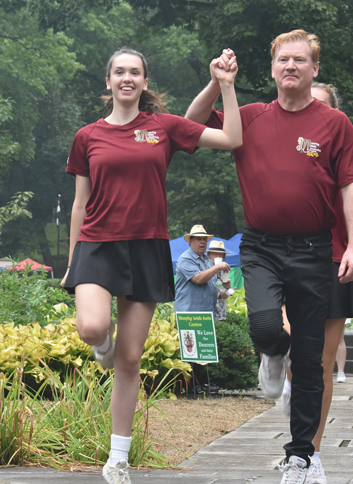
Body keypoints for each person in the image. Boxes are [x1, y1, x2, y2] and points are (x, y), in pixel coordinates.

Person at [185, 30, 353, 484]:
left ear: (314, 69)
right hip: (262, 245)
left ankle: (301, 458)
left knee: (311, 361)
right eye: (283, 60)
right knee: (268, 327)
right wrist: (217, 82)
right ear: (272, 69)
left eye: (300, 60)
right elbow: (190, 124)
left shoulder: (334, 123)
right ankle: (272, 353)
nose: (291, 66)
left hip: (313, 250)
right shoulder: (247, 116)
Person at [60, 47, 242, 484]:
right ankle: (100, 343)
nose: (127, 78)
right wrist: (71, 262)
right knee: (92, 328)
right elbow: (80, 205)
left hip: (145, 249)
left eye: (134, 72)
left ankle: (117, 458)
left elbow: (232, 138)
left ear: (144, 82)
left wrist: (227, 86)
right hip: (97, 247)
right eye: (119, 72)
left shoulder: (163, 127)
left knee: (131, 357)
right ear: (108, 82)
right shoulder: (87, 136)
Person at [279, 82, 353, 484]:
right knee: (283, 339)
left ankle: (311, 454)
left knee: (320, 365)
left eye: (319, 107)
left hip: (335, 259)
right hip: (285, 256)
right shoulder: (282, 147)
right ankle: (287, 378)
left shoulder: (342, 145)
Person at [174, 225, 231, 314]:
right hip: (189, 315)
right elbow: (198, 279)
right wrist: (217, 267)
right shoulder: (185, 258)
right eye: (199, 239)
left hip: (207, 314)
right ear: (190, 241)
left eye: (204, 239)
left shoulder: (208, 261)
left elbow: (213, 288)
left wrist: (225, 286)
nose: (202, 242)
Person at [206, 239, 235, 320]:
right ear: (209, 255)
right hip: (209, 314)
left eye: (220, 254)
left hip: (221, 313)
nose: (217, 256)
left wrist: (227, 290)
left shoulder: (224, 271)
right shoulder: (205, 270)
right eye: (215, 254)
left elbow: (222, 294)